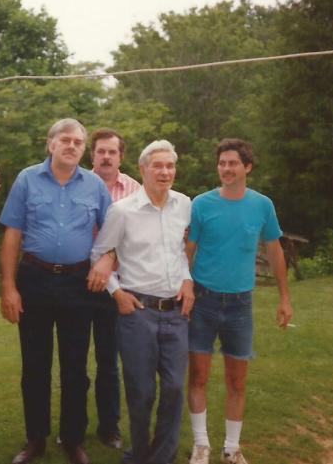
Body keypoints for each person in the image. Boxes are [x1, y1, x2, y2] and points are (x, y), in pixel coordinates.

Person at [0, 118, 112, 464]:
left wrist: (107, 261)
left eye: (78, 142)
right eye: (65, 140)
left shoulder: (94, 185)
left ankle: (73, 438)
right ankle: (36, 439)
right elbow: (12, 236)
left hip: (79, 283)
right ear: (50, 144)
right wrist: (8, 286)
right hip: (34, 279)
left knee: (75, 367)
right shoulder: (27, 180)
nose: (72, 146)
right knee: (35, 364)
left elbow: (113, 233)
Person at [185, 138, 293, 464]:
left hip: (240, 305)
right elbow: (187, 252)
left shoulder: (262, 206)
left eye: (233, 163)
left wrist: (285, 298)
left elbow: (275, 251)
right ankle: (201, 445)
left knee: (237, 380)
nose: (226, 169)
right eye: (222, 163)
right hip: (202, 300)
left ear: (247, 167)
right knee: (199, 376)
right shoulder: (201, 204)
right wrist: (186, 289)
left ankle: (232, 448)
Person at [88, 140, 195, 464]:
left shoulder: (184, 204)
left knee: (175, 388)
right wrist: (117, 293)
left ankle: (161, 457)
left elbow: (183, 249)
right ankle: (138, 454)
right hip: (138, 313)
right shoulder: (122, 211)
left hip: (176, 312)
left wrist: (188, 280)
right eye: (158, 166)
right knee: (142, 391)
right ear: (143, 169)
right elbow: (99, 253)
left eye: (170, 166)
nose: (165, 172)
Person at [87, 128, 141, 449]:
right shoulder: (77, 184)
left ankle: (109, 427)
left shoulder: (135, 191)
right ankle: (73, 426)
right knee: (74, 361)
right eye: (100, 151)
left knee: (109, 360)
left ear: (121, 156)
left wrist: (110, 259)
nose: (106, 157)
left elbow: (139, 237)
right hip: (78, 284)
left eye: (112, 152)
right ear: (92, 155)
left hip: (118, 287)